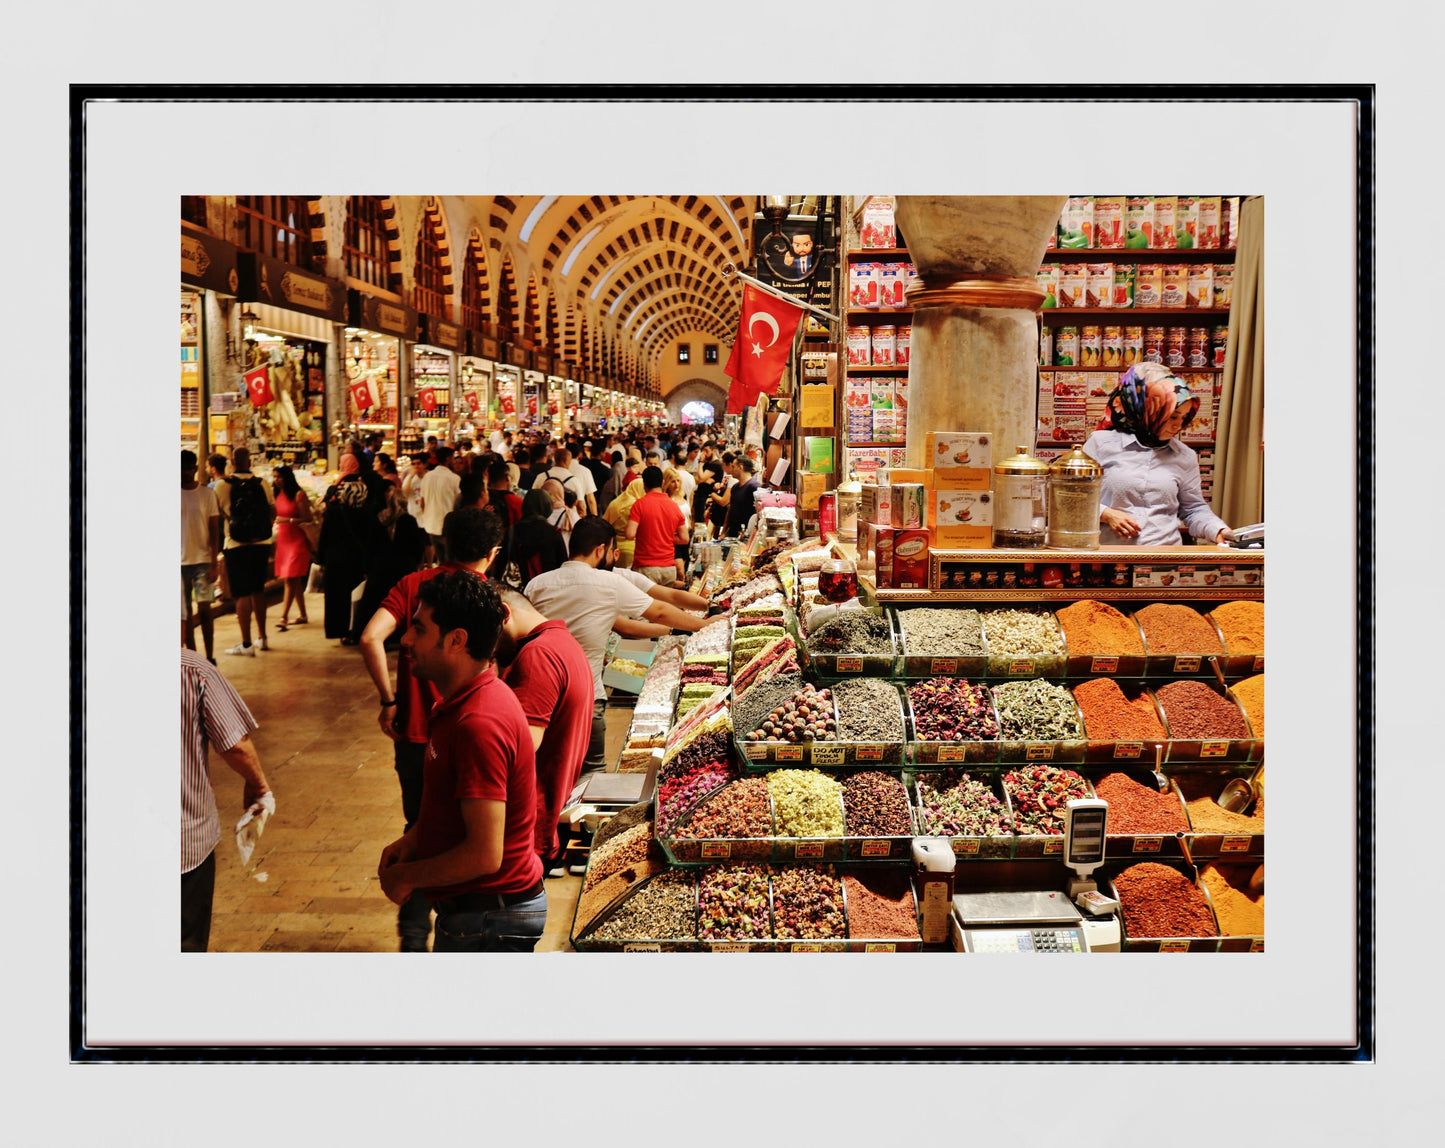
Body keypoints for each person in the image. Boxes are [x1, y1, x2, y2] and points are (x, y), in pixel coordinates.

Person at [376, 572, 547, 952]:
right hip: (477, 913)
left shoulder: (479, 724)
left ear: (457, 640)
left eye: (418, 629)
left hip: (489, 918)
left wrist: (408, 877)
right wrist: (414, 839)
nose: (405, 640)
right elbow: (454, 807)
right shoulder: (458, 702)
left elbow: (485, 854)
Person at [360, 507, 505, 951]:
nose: (409, 639)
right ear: (492, 553)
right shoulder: (485, 599)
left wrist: (390, 700)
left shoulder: (413, 586)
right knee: (458, 833)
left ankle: (415, 930)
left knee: (420, 827)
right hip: (459, 738)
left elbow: (370, 637)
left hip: (416, 733)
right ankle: (450, 925)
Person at [525, 516, 707, 776]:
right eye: (611, 550)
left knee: (544, 773)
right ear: (600, 549)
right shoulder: (608, 583)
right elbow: (660, 610)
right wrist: (704, 624)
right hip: (586, 697)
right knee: (591, 774)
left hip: (542, 699)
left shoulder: (537, 585)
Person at [493, 585, 595, 879]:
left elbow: (522, 746)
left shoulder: (537, 655)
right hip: (541, 818)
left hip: (528, 825)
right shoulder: (559, 640)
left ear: (504, 614)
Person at [181, 648, 272, 951]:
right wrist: (259, 785)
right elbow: (235, 745)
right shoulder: (192, 669)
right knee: (185, 943)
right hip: (183, 844)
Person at [1085, 363, 1235, 547]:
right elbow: (1072, 500)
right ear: (1148, 409)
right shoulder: (1100, 444)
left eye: (1184, 418)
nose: (1178, 426)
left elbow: (1193, 509)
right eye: (1172, 416)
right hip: (1110, 558)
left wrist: (1219, 530)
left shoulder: (1184, 455)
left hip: (1164, 560)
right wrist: (1106, 514)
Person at [214, 446, 276, 656]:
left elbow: (218, 514)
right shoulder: (262, 483)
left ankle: (246, 644)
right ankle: (263, 637)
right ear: (250, 462)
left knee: (241, 593)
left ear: (232, 462)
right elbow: (272, 511)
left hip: (236, 545)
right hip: (262, 542)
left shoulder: (222, 486)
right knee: (258, 589)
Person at [316, 452, 375, 645]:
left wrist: (320, 559)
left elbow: (324, 537)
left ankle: (339, 630)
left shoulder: (334, 511)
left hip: (335, 560)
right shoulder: (367, 514)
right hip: (357, 561)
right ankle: (354, 629)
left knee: (336, 599)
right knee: (355, 598)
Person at [181, 450, 223, 664]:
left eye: (188, 469)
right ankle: (193, 656)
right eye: (182, 469)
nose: (185, 474)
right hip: (179, 563)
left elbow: (215, 529)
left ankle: (209, 656)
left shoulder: (207, 495)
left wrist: (214, 562)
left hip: (203, 561)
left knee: (205, 609)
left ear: (196, 469)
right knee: (185, 613)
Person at [269, 464, 314, 631]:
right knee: (293, 579)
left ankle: (283, 617)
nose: (276, 480)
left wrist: (288, 520)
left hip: (298, 540)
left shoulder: (299, 495)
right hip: (284, 540)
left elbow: (307, 518)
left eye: (279, 477)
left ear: (287, 477)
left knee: (289, 578)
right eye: (274, 477)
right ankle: (302, 614)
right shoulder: (277, 494)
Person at [627, 465, 688, 586]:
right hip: (668, 568)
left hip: (645, 567)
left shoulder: (639, 505)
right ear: (663, 482)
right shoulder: (673, 506)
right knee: (665, 603)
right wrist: (666, 537)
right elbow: (684, 538)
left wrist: (648, 535)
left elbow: (630, 534)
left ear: (644, 484)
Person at [510, 488, 569, 585]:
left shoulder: (512, 531)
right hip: (546, 588)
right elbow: (562, 566)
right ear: (548, 507)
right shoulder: (553, 533)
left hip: (517, 589)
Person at [419, 445, 462, 563]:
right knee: (450, 562)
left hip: (430, 525)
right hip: (447, 527)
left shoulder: (427, 477)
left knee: (441, 562)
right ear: (448, 459)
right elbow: (459, 504)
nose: (454, 461)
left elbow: (422, 503)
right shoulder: (454, 479)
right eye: (453, 458)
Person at [603, 477, 646, 569]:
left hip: (614, 547)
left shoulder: (615, 503)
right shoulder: (638, 507)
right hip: (633, 548)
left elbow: (605, 523)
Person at [693, 458, 725, 537]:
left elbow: (700, 478)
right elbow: (697, 479)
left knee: (702, 525)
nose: (703, 453)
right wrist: (703, 479)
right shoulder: (707, 464)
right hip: (701, 498)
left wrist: (700, 462)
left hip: (707, 500)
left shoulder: (716, 465)